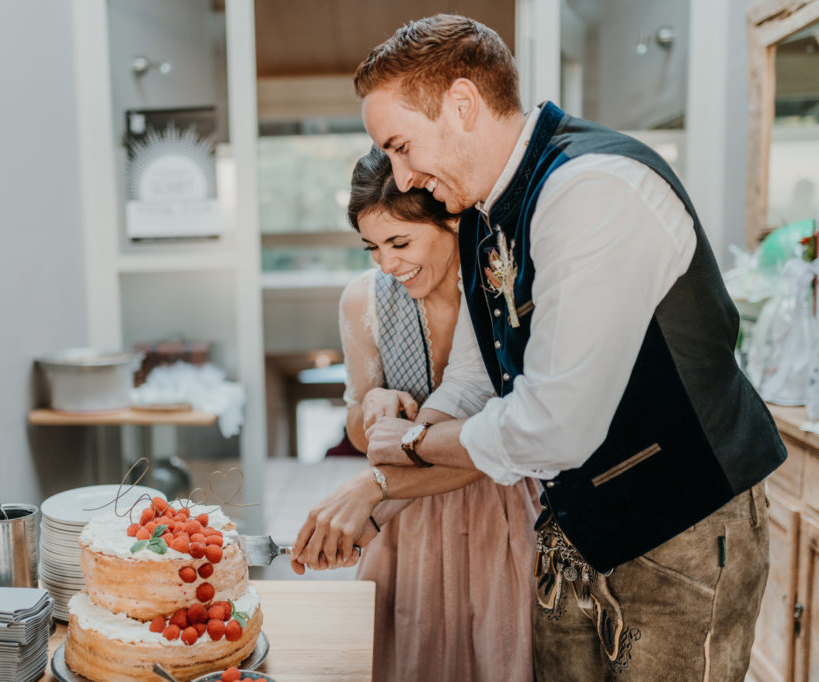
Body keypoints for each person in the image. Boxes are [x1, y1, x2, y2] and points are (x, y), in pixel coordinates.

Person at [304, 14, 786, 681]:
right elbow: (478, 381)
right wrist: (389, 465)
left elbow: (554, 424)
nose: (403, 176)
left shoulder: (593, 188)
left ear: (464, 105)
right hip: (575, 533)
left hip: (683, 535)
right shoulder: (483, 218)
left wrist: (412, 449)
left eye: (402, 146)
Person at [289, 147, 539, 682]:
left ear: (452, 219)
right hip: (407, 514)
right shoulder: (366, 302)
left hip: (502, 504)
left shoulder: (501, 285)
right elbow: (359, 433)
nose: (386, 263)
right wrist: (374, 408)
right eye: (372, 247)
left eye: (400, 242)